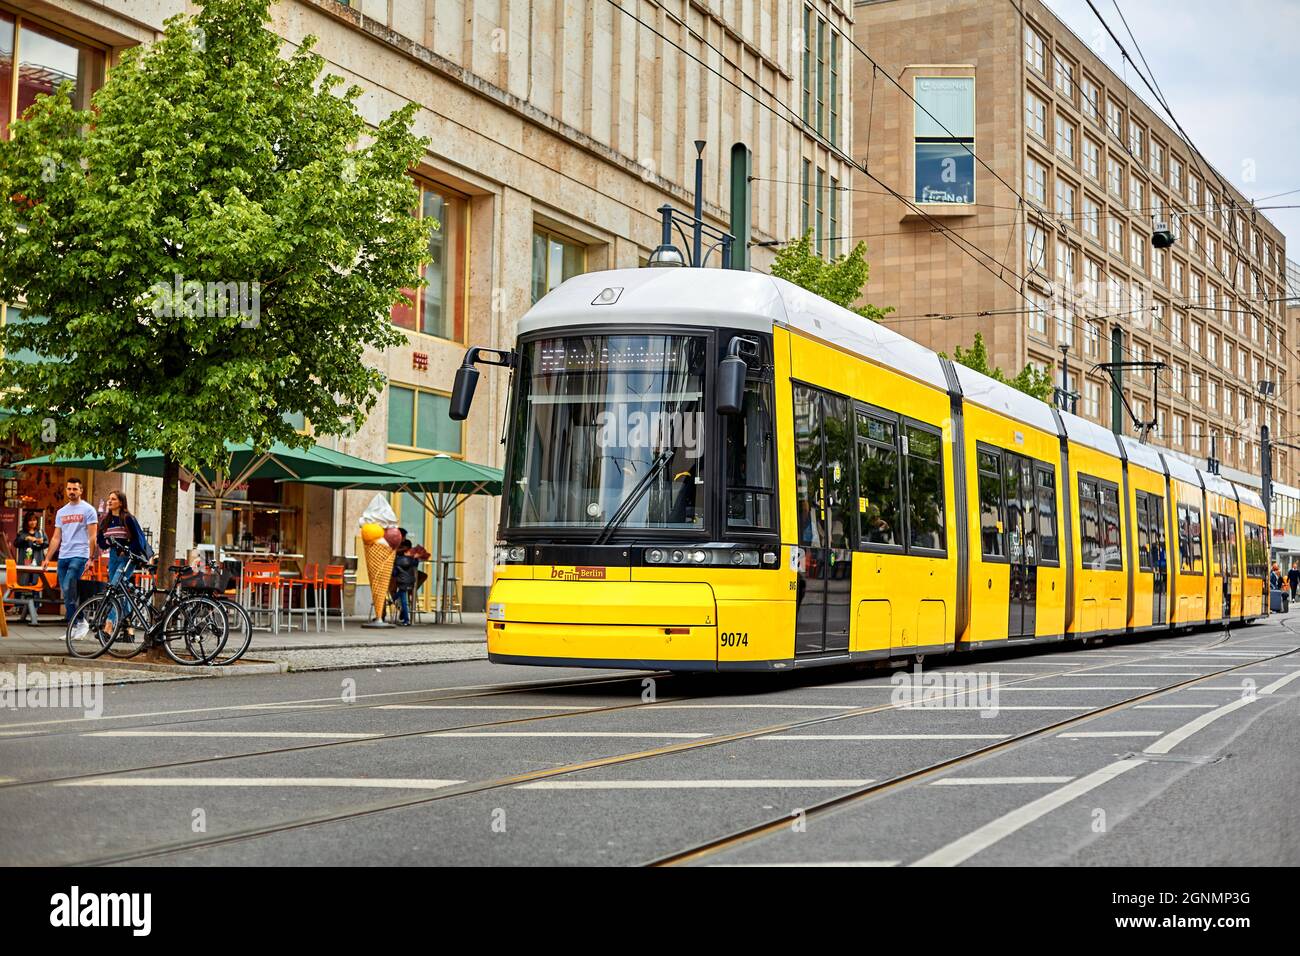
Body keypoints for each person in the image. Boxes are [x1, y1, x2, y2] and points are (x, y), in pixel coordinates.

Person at [42, 478, 100, 636]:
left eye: (75, 489)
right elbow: (56, 537)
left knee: (68, 587)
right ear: (66, 490)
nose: (72, 492)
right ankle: (78, 623)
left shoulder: (88, 510)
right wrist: (48, 558)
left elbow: (93, 537)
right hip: (63, 556)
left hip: (80, 554)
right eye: (69, 489)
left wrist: (90, 558)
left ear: (81, 490)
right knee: (66, 592)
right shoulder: (61, 512)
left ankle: (80, 622)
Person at [97, 490, 151, 586]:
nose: (109, 501)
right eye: (109, 499)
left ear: (121, 503)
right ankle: (127, 601)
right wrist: (109, 542)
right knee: (116, 588)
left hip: (127, 556)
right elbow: (100, 541)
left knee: (116, 585)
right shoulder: (105, 521)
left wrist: (127, 550)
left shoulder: (128, 518)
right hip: (113, 556)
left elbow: (139, 539)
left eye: (113, 499)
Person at [392, 538, 420, 626]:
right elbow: (416, 564)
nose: (410, 553)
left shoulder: (397, 561)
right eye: (409, 552)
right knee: (401, 595)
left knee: (403, 601)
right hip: (410, 583)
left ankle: (406, 620)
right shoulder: (412, 560)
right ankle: (392, 599)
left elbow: (394, 573)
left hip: (401, 582)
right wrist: (416, 558)